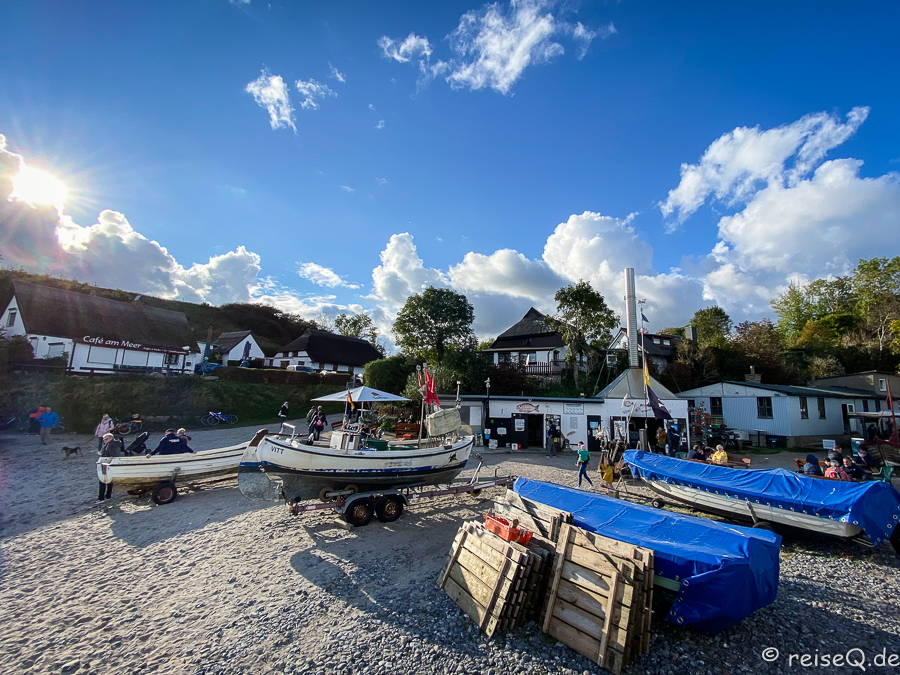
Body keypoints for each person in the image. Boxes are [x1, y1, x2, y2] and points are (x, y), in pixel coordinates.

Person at [97, 433, 123, 502]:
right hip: (108, 463)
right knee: (109, 481)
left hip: (107, 463)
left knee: (103, 481)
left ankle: (101, 497)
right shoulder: (111, 444)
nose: (105, 441)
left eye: (106, 439)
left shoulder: (112, 445)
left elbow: (113, 454)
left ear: (111, 438)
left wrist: (102, 455)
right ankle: (107, 496)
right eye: (104, 439)